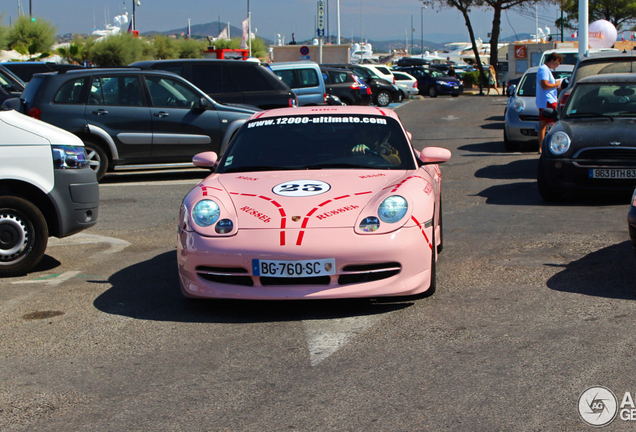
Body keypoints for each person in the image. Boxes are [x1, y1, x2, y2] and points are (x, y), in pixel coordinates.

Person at [536, 53, 563, 153]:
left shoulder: (545, 70)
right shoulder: (543, 70)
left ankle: (541, 147)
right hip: (548, 101)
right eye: (557, 63)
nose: (557, 66)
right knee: (557, 124)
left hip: (546, 100)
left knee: (543, 124)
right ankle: (549, 146)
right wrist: (556, 84)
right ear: (553, 60)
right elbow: (545, 85)